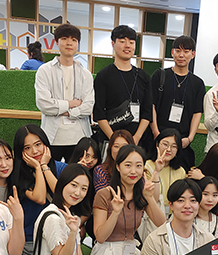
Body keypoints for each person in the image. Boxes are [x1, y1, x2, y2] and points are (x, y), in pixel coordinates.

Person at [90, 145, 166, 255]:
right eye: (128, 165)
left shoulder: (141, 194)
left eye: (138, 166)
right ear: (117, 166)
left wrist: (149, 198)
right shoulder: (104, 194)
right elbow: (100, 236)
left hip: (132, 252)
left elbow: (162, 223)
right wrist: (115, 212)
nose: (133, 171)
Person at [35, 24, 94, 162]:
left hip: (79, 136)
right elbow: (44, 105)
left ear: (77, 44)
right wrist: (72, 104)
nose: (69, 43)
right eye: (64, 38)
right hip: (52, 136)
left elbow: (88, 107)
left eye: (74, 39)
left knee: (77, 174)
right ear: (57, 42)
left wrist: (62, 110)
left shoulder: (85, 74)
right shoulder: (44, 71)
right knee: (50, 173)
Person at [12, 124, 66, 255]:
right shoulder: (18, 174)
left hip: (59, 234)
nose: (35, 151)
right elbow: (40, 198)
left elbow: (63, 195)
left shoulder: (61, 168)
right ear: (21, 151)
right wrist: (38, 167)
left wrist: (44, 167)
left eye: (38, 144)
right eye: (27, 148)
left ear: (45, 144)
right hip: (31, 239)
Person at [93, 25, 153, 153]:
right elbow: (99, 113)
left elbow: (147, 112)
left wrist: (136, 138)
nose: (127, 46)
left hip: (137, 141)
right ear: (113, 44)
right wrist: (115, 140)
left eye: (131, 42)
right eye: (122, 41)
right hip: (110, 141)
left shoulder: (143, 77)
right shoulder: (103, 76)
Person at [150, 36, 205, 171]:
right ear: (172, 52)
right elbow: (151, 106)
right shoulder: (160, 75)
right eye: (178, 51)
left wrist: (190, 138)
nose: (181, 55)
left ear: (193, 54)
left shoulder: (197, 83)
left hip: (182, 142)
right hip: (158, 138)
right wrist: (156, 133)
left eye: (186, 51)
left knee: (179, 176)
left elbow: (197, 113)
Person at [138, 128, 186, 240]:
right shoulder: (147, 166)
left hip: (174, 218)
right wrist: (157, 171)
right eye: (165, 144)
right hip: (152, 217)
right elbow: (152, 198)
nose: (169, 149)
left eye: (174, 146)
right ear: (157, 144)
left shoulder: (180, 171)